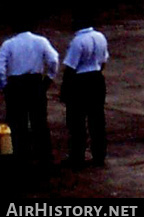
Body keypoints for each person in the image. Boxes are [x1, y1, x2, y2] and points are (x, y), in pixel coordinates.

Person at [0, 15, 59, 171]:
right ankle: (44, 158)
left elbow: (0, 68)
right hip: (35, 83)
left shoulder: (8, 44)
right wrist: (49, 78)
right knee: (39, 122)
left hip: (16, 85)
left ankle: (19, 158)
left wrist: (5, 86)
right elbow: (53, 59)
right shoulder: (41, 41)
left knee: (17, 123)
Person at [60, 11, 109, 167]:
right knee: (97, 119)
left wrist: (64, 89)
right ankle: (99, 154)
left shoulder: (77, 41)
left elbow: (70, 67)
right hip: (96, 78)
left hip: (80, 81)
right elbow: (103, 61)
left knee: (77, 121)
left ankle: (77, 155)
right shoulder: (100, 37)